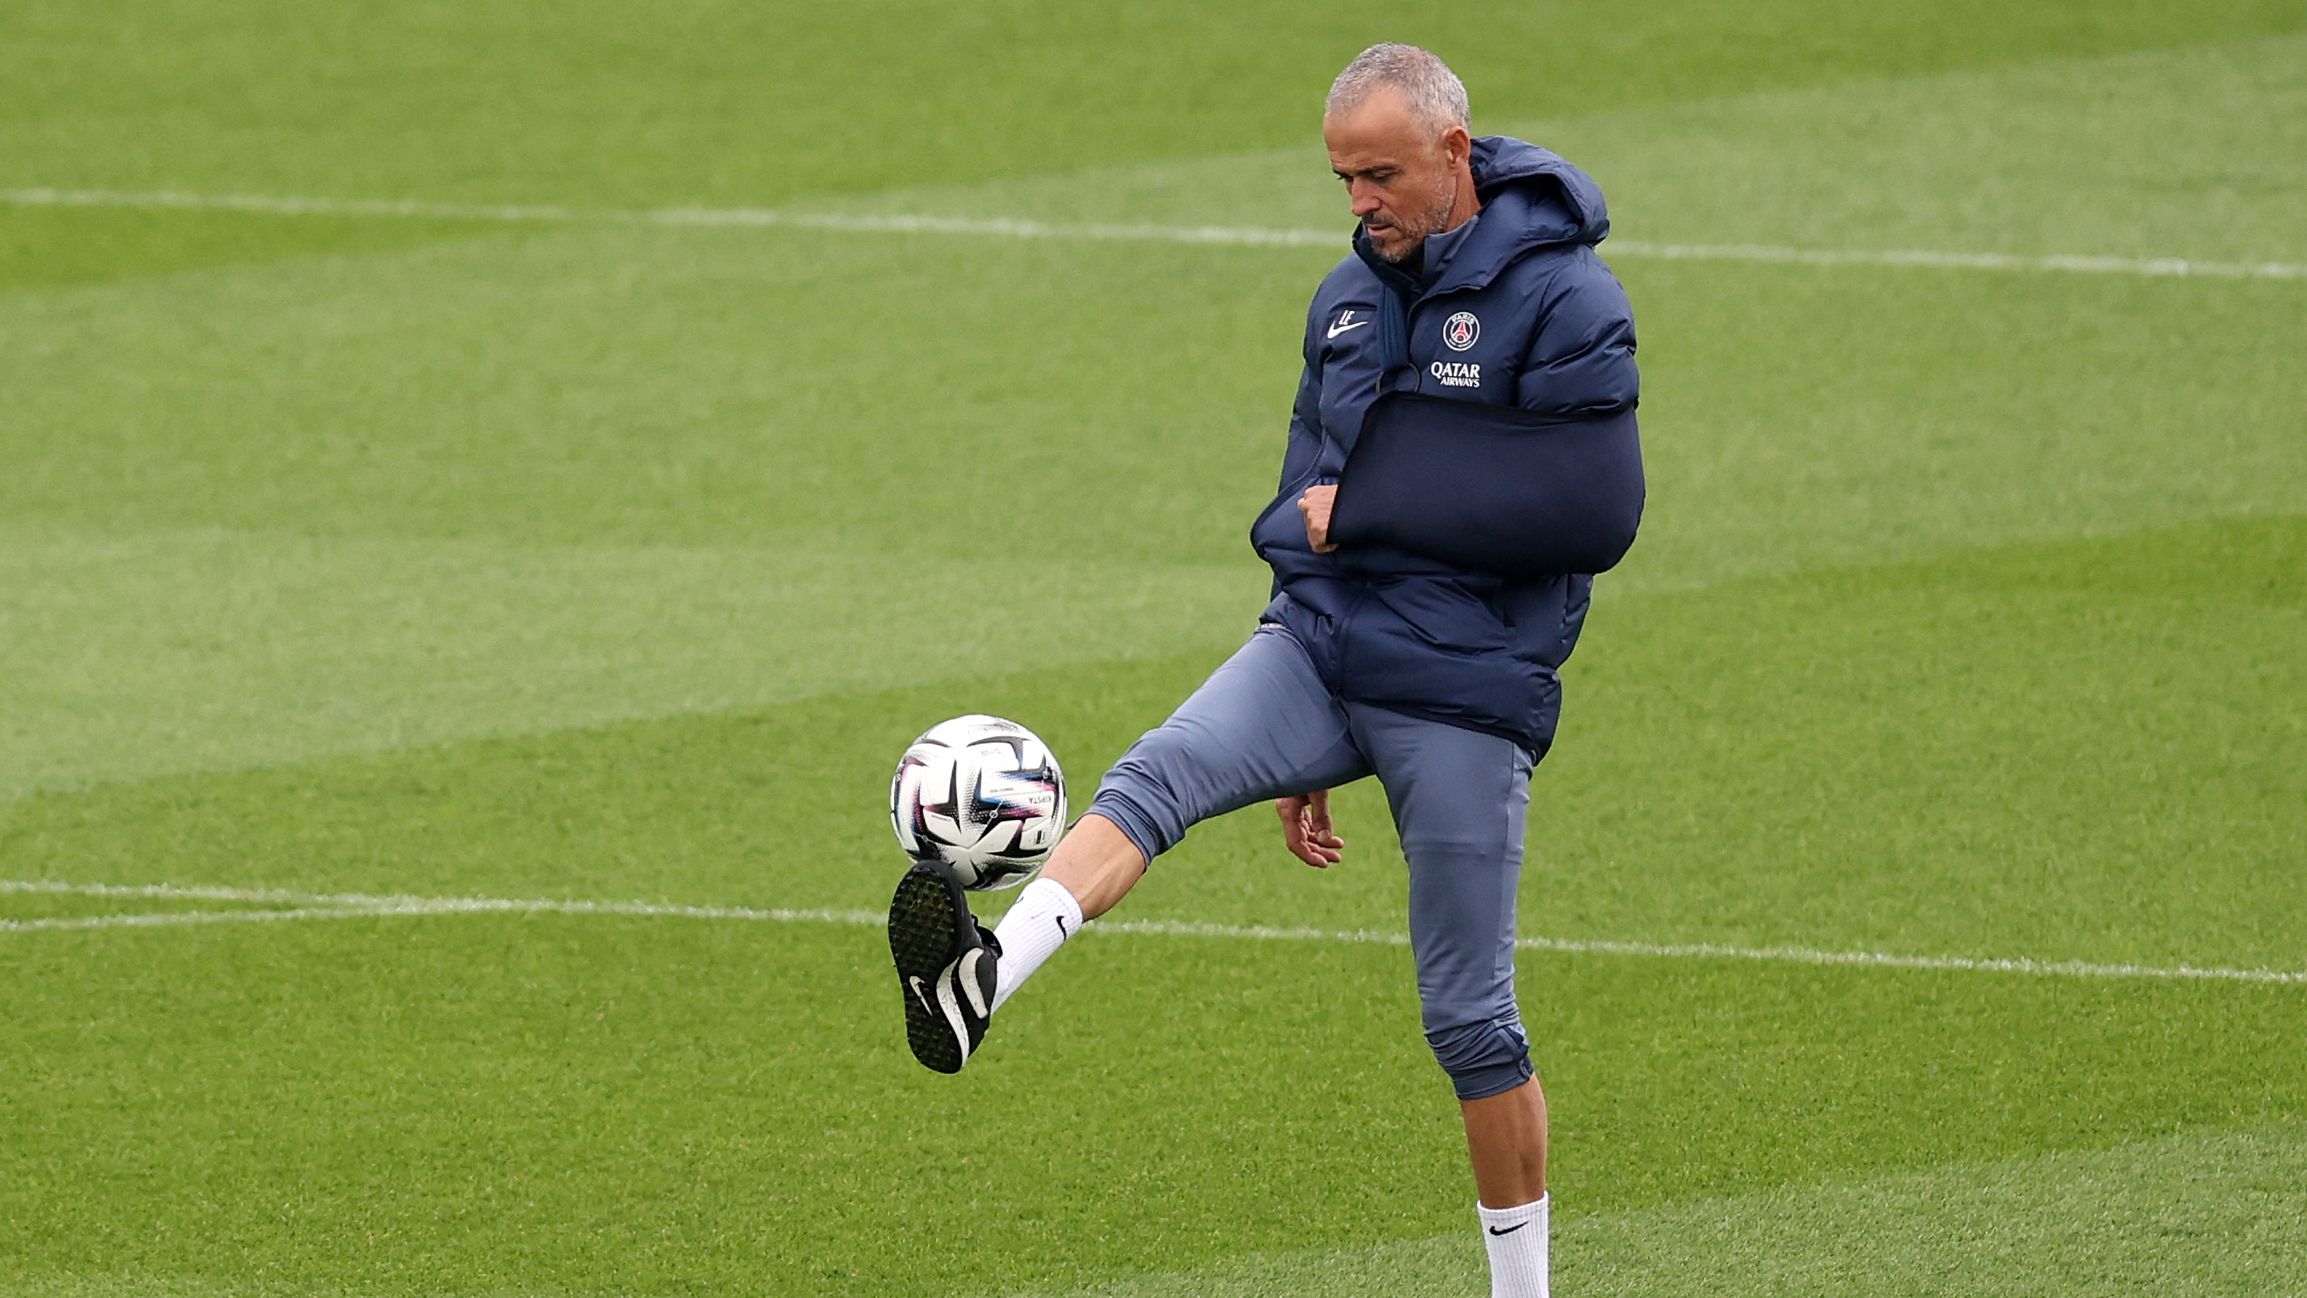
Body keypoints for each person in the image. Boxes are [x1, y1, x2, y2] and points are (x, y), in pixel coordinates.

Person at [887, 42, 1640, 1298]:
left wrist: (1381, 507)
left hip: (1461, 687)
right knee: (1157, 774)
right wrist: (1300, 686)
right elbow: (1301, 501)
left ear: (1455, 153)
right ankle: (982, 982)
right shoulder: (1343, 302)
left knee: (1469, 1018)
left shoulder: (1568, 301)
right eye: (1344, 176)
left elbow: (1592, 512)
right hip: (1321, 646)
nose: (1361, 201)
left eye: (1382, 173)